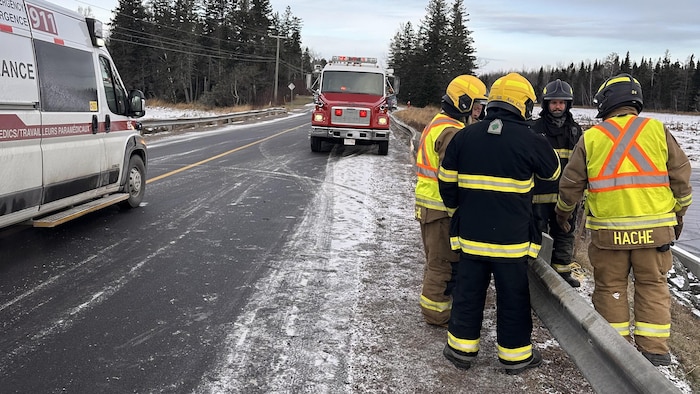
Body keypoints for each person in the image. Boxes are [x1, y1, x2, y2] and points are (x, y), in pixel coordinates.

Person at [555, 73, 693, 366]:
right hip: (655, 234)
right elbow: (681, 177)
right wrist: (678, 216)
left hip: (609, 236)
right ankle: (654, 351)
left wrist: (562, 214)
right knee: (653, 286)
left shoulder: (591, 137)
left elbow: (570, 186)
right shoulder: (657, 130)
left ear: (606, 102)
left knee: (610, 288)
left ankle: (615, 351)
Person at [438, 73, 561, 374]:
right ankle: (515, 357)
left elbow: (446, 185)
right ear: (523, 105)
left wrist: (461, 210)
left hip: (470, 236)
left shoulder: (463, 136)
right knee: (513, 299)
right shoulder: (532, 140)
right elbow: (553, 174)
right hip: (512, 241)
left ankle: (460, 351)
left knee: (468, 293)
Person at [415, 75, 488, 327]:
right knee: (442, 265)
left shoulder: (438, 123)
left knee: (436, 262)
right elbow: (456, 176)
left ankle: (438, 309)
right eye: (477, 106)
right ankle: (437, 315)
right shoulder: (452, 132)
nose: (480, 111)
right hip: (442, 210)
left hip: (431, 208)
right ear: (464, 103)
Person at [531, 79, 583, 287]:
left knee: (565, 234)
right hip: (539, 197)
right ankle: (535, 275)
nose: (558, 107)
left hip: (567, 197)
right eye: (554, 102)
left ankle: (562, 275)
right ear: (546, 104)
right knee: (538, 236)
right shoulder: (534, 129)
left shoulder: (576, 131)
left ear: (568, 105)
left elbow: (581, 164)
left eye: (562, 103)